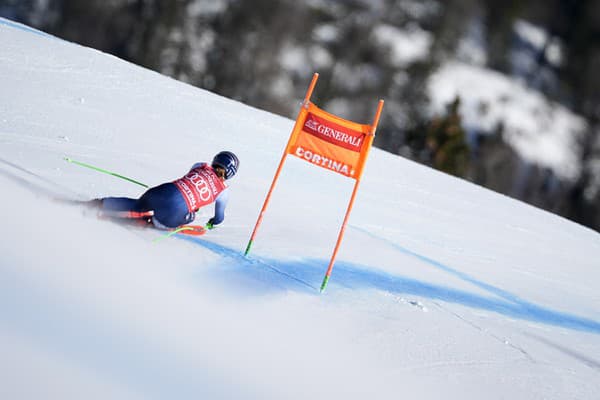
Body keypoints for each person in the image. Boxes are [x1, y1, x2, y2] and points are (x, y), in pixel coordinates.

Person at [94, 151, 239, 230]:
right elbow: (219, 218)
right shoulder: (223, 192)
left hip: (163, 191)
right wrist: (211, 223)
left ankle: (97, 204)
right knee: (189, 217)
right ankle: (146, 222)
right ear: (231, 173)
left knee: (137, 205)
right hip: (175, 210)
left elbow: (189, 182)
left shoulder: (200, 165)